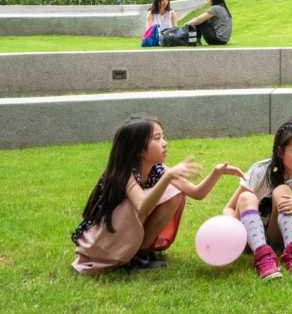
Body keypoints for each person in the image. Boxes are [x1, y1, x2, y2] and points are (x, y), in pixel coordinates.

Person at [72, 118, 244, 275]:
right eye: (157, 138)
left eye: (163, 137)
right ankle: (130, 256)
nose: (165, 143)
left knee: (174, 193)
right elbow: (143, 206)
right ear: (138, 149)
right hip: (102, 240)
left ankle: (140, 254)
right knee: (163, 191)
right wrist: (168, 178)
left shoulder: (158, 169)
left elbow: (196, 193)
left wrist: (216, 172)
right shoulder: (125, 173)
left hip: (122, 232)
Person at [223, 118, 292, 280]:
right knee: (246, 196)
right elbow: (230, 208)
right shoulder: (260, 172)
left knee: (283, 191)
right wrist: (232, 233)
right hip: (247, 238)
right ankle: (262, 257)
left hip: (278, 237)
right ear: (280, 151)